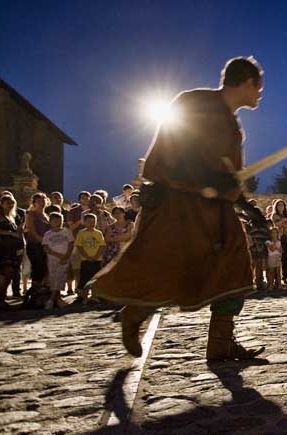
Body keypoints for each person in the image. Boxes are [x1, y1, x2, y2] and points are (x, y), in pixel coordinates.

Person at [92, 56, 269, 360]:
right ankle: (135, 313)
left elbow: (227, 178)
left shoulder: (232, 126)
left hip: (214, 210)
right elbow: (176, 153)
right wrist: (214, 179)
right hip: (177, 205)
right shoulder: (195, 102)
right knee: (171, 268)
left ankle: (220, 342)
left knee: (235, 266)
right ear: (247, 82)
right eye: (259, 87)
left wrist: (245, 205)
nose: (260, 95)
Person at [0, 194, 24, 310]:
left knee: (10, 273)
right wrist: (9, 233)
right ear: (1, 204)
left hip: (11, 252)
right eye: (8, 203)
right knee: (2, 273)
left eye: (12, 203)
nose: (11, 205)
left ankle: (1, 299)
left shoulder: (12, 216)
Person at [41, 212, 74, 309]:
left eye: (60, 220)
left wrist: (66, 256)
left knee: (61, 277)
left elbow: (71, 245)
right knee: (54, 278)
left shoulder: (66, 231)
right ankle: (58, 299)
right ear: (50, 222)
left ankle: (51, 300)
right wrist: (58, 255)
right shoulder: (48, 234)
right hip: (52, 259)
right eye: (55, 221)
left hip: (64, 259)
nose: (58, 223)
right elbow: (46, 248)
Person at [74, 213, 105, 304]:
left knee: (96, 279)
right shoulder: (81, 233)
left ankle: (95, 296)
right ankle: (84, 297)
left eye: (93, 221)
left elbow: (102, 246)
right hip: (85, 260)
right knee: (85, 279)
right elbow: (79, 246)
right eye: (89, 221)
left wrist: (96, 256)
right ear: (84, 222)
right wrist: (87, 256)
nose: (91, 223)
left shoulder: (98, 233)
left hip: (97, 260)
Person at [24, 193, 51, 290]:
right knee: (37, 268)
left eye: (43, 200)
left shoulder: (47, 216)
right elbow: (32, 231)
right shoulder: (31, 214)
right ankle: (34, 292)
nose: (42, 203)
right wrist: (44, 242)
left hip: (45, 246)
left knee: (44, 269)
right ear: (34, 203)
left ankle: (41, 292)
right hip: (34, 245)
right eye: (39, 201)